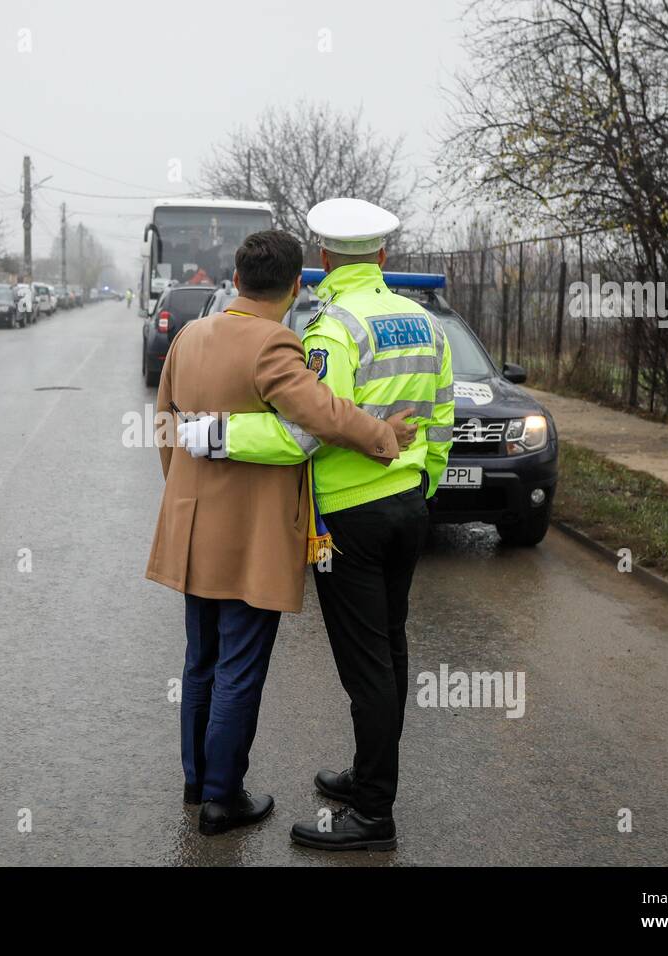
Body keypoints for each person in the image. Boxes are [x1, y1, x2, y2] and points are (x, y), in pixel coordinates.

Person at [183, 199, 454, 851]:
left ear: (325, 260)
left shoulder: (333, 328)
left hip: (350, 520)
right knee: (389, 649)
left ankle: (372, 815)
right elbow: (444, 417)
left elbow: (302, 432)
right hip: (408, 505)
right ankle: (365, 774)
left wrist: (220, 433)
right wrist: (422, 482)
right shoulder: (424, 324)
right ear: (383, 257)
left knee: (366, 668)